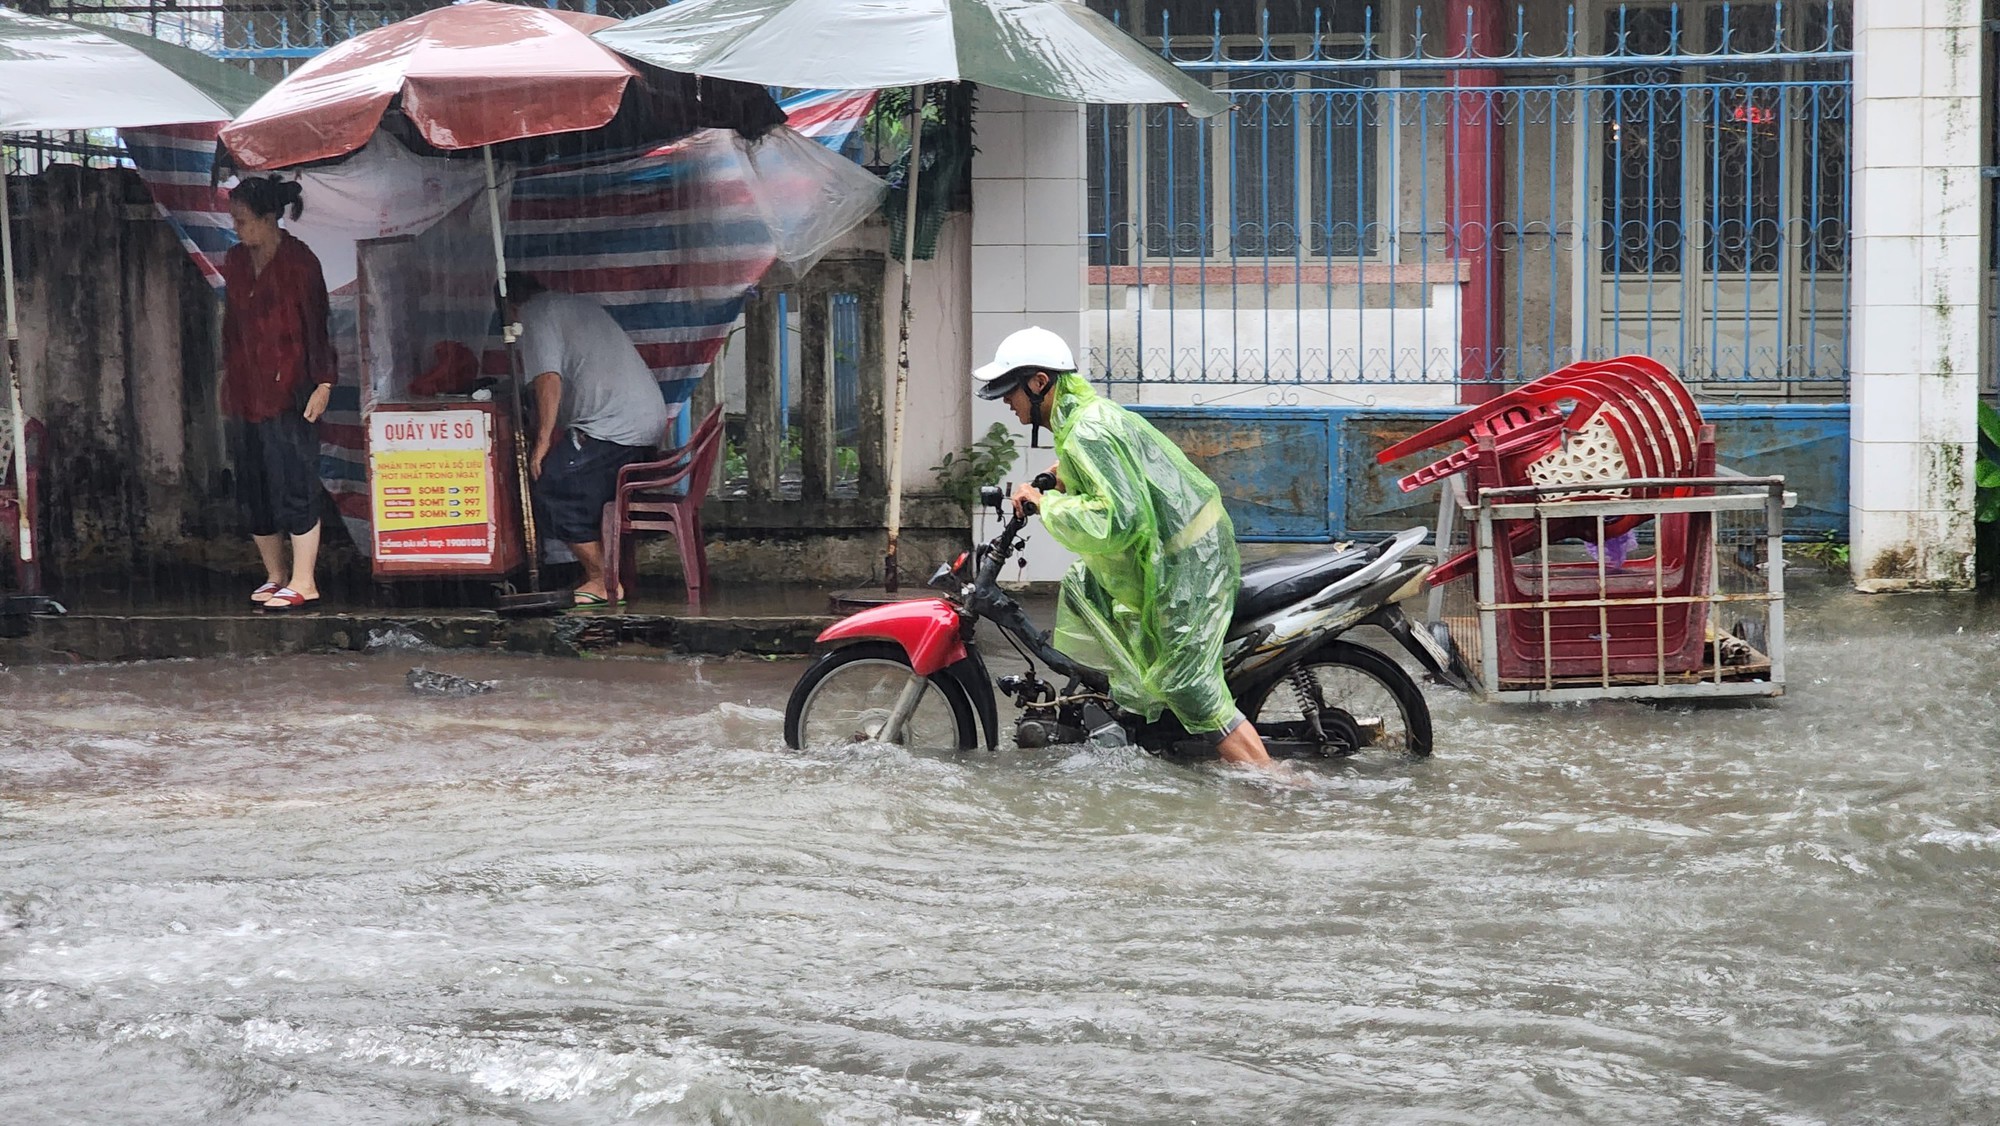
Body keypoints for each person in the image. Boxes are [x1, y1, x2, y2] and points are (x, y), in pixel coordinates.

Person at [975, 327, 1274, 768]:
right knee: (1083, 584)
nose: (1006, 401)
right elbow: (1119, 471)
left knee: (1187, 684)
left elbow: (1119, 519)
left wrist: (1048, 503)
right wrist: (1062, 476)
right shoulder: (1082, 420)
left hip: (1186, 562)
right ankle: (1128, 717)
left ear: (1039, 383)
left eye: (1010, 390)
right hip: (1171, 553)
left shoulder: (1088, 430)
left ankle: (1277, 783)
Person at [501, 272, 670, 606]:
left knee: (552, 483)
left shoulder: (536, 313)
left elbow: (548, 379)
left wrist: (544, 441)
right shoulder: (574, 304)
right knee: (573, 483)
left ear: (511, 305)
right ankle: (601, 572)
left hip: (616, 428)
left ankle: (602, 580)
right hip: (639, 423)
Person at [221, 174, 334, 612]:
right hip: (245, 388)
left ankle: (305, 580)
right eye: (234, 220)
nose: (237, 227)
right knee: (253, 484)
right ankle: (275, 574)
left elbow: (317, 327)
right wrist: (224, 375)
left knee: (294, 479)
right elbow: (232, 326)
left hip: (292, 388)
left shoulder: (300, 263)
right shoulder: (234, 260)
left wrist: (324, 383)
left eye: (244, 220)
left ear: (269, 218)